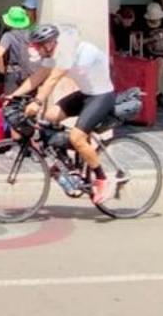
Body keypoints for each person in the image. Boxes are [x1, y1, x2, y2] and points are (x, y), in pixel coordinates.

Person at [9, 23, 122, 204]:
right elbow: (37, 77)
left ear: (50, 44)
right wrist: (13, 96)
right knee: (49, 117)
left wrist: (37, 102)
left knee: (77, 138)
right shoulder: (53, 52)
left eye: (39, 45)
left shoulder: (67, 53)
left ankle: (101, 179)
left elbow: (52, 79)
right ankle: (68, 164)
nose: (37, 49)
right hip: (85, 94)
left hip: (101, 96)